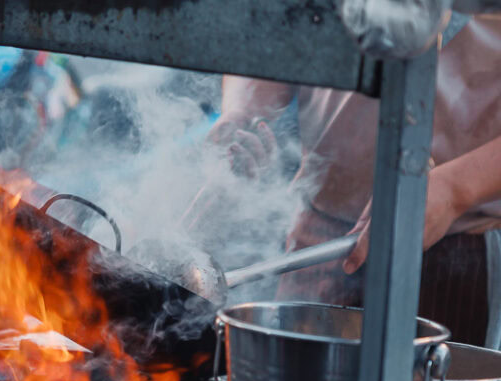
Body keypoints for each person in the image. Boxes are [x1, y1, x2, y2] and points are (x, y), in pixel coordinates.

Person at [209, 13, 501, 347]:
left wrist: (454, 190)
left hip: (457, 241)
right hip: (317, 228)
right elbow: (277, 19)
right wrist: (244, 112)